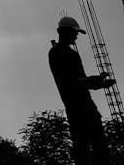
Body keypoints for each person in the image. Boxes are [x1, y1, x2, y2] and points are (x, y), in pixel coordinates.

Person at [48, 15, 114, 165]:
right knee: (95, 148)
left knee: (83, 149)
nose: (76, 36)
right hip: (81, 108)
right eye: (74, 33)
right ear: (64, 32)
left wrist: (100, 82)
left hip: (76, 108)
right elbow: (77, 82)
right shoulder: (63, 54)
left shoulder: (60, 53)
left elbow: (82, 82)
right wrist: (98, 80)